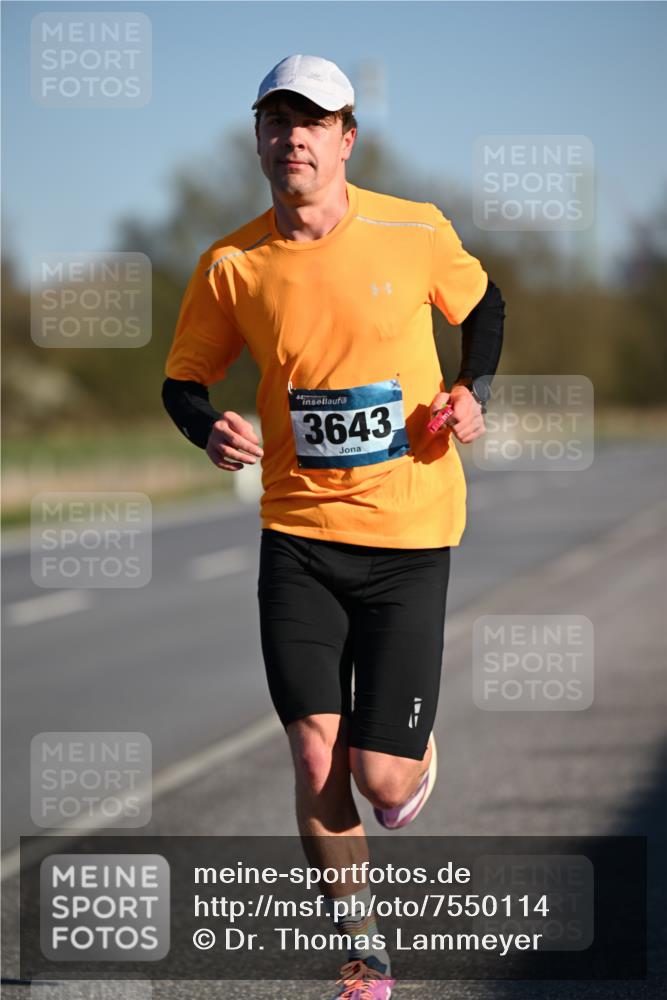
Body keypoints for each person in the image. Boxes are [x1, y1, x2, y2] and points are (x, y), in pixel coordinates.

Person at [162, 54, 505, 1000]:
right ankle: (363, 948)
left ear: (346, 139)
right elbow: (182, 381)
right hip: (298, 540)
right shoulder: (231, 265)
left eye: (312, 122)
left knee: (379, 781)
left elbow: (484, 311)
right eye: (276, 121)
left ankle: (408, 758)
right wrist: (207, 427)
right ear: (260, 139)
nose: (293, 138)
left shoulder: (413, 230)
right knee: (314, 749)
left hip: (408, 536)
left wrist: (470, 394)